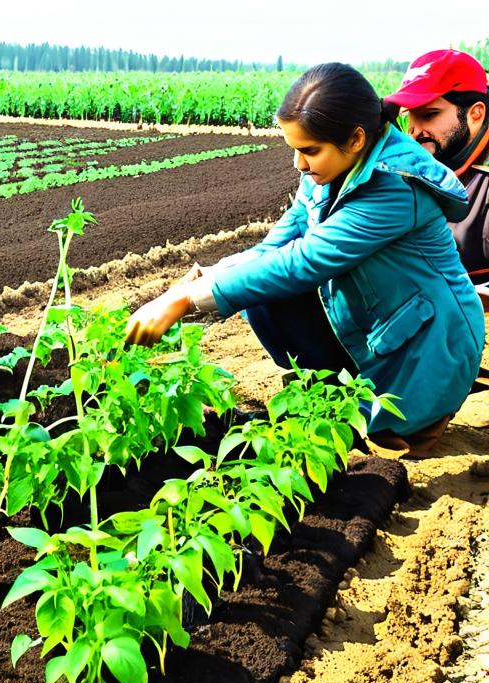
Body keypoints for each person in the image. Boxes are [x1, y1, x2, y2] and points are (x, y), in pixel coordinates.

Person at [125, 63, 485, 455]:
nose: (299, 163)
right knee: (262, 293)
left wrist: (185, 300)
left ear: (356, 139)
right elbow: (272, 250)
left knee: (279, 284)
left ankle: (401, 419)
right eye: (295, 149)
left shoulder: (396, 188)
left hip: (425, 349)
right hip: (380, 319)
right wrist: (205, 278)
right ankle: (325, 400)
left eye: (310, 151)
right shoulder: (328, 173)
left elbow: (304, 261)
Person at [384, 49, 488, 306]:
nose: (415, 131)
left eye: (429, 115)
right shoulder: (412, 166)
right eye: (410, 116)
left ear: (476, 113)